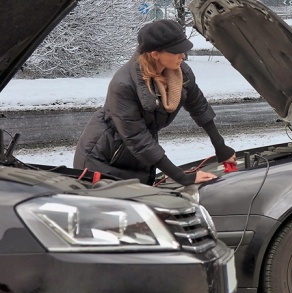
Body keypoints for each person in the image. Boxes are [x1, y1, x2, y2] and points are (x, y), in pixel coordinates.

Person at [73, 19, 236, 185]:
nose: (183, 55)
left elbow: (199, 107)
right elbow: (137, 138)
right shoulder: (123, 84)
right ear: (155, 54)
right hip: (103, 160)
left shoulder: (181, 74)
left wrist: (220, 147)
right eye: (177, 51)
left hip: (139, 158)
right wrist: (183, 177)